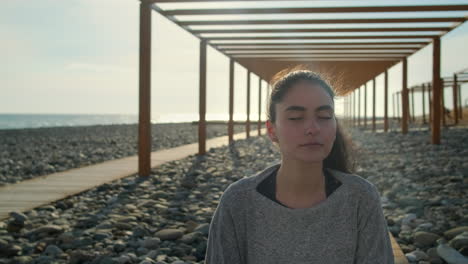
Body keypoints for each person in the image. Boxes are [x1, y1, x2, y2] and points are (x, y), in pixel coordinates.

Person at [204, 69, 394, 263]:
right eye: (296, 117)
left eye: (324, 116)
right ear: (272, 130)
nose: (313, 128)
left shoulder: (360, 197)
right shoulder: (239, 201)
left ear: (335, 126)